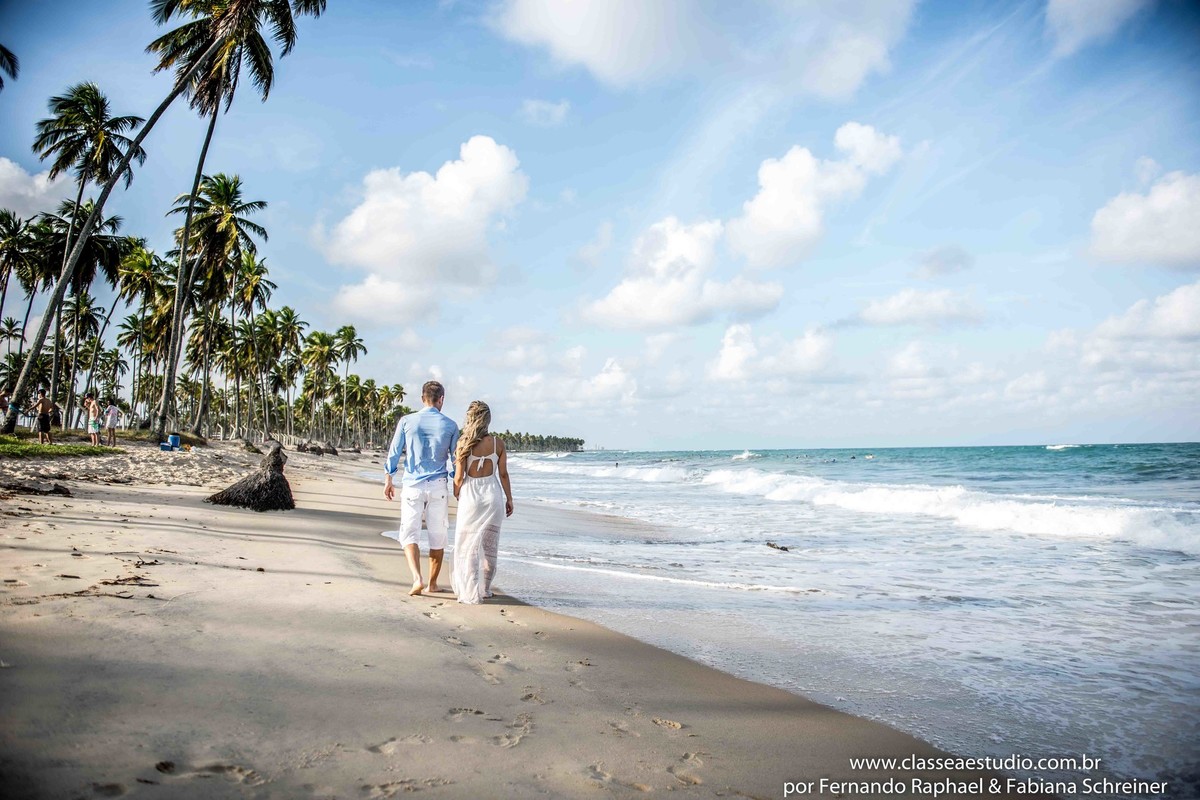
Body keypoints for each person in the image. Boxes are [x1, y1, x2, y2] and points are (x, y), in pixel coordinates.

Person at [384, 381, 460, 596]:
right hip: (438, 486)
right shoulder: (451, 425)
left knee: (409, 532)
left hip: (412, 485)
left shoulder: (407, 421)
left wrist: (389, 478)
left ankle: (417, 578)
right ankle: (432, 584)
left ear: (422, 398)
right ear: (441, 399)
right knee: (438, 535)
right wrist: (456, 484)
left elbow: (395, 451)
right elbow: (456, 459)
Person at [451, 401, 514, 604]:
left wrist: (456, 492)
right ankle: (485, 589)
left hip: (471, 496)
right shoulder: (498, 443)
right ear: (488, 419)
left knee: (468, 546)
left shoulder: (463, 443)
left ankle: (470, 591)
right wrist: (509, 498)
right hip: (492, 495)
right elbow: (503, 474)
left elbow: (459, 478)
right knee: (490, 547)